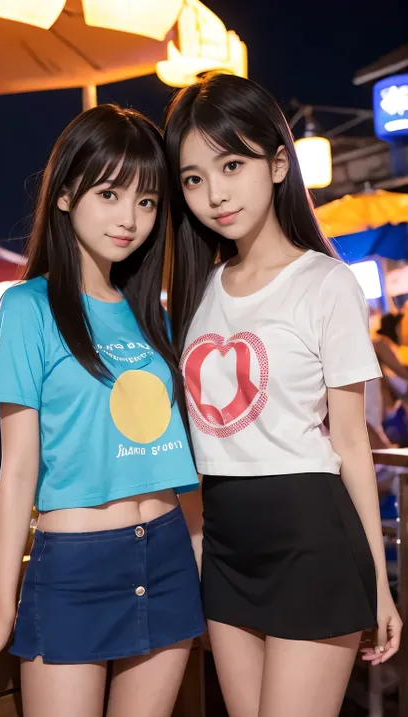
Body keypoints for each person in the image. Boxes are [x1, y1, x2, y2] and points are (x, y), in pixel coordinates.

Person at [0, 105, 205, 717]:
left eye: (146, 201)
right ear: (64, 196)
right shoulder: (28, 308)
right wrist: (2, 606)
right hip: (75, 570)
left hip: (167, 555)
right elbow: (19, 470)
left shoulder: (154, 317)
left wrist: (196, 563)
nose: (130, 218)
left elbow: (178, 461)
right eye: (110, 193)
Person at [163, 73, 402, 717]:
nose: (214, 194)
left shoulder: (326, 283)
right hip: (225, 541)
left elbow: (352, 443)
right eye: (192, 178)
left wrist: (379, 585)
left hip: (310, 535)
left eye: (231, 164)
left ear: (276, 164)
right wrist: (195, 549)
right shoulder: (198, 290)